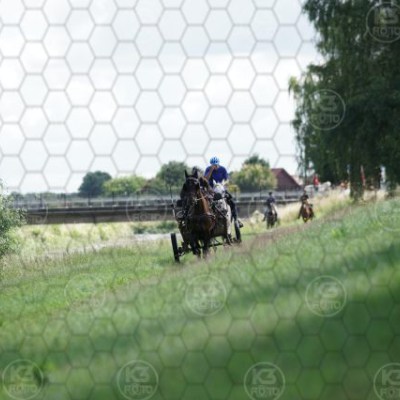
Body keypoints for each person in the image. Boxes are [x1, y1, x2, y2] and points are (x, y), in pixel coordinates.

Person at [204, 157, 243, 227]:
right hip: (211, 190)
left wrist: (224, 184)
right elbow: (205, 179)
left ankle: (236, 220)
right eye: (213, 165)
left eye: (216, 165)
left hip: (222, 189)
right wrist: (211, 171)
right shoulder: (208, 169)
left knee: (232, 202)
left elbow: (227, 179)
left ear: (218, 164)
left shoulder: (223, 169)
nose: (215, 166)